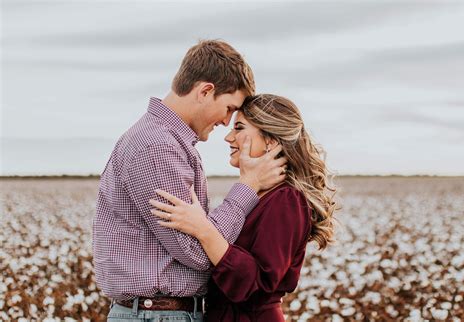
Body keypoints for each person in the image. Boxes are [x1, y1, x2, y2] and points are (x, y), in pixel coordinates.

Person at [93, 41, 287, 322]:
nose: (226, 122)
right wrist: (248, 186)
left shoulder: (162, 141)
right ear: (205, 91)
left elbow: (197, 236)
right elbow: (196, 251)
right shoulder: (157, 147)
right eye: (229, 108)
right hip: (158, 316)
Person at [150, 94, 338, 321]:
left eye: (239, 128)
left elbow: (258, 285)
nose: (229, 137)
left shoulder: (286, 200)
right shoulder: (258, 195)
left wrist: (204, 230)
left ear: (270, 140)